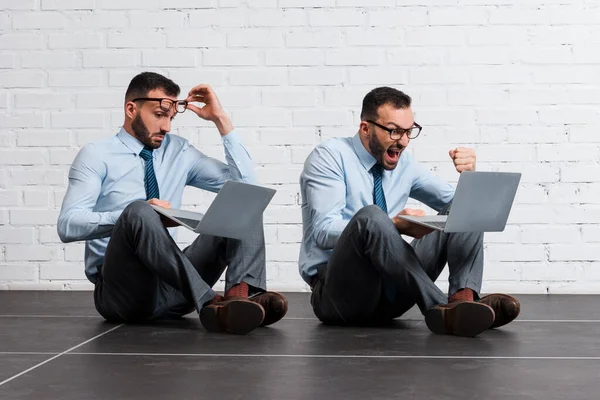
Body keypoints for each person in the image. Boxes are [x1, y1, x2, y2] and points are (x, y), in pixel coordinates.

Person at [58, 72, 287, 335]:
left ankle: (239, 299)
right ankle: (212, 303)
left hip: (176, 285)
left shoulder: (179, 151)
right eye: (158, 114)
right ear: (131, 109)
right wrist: (139, 217)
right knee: (138, 210)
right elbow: (67, 225)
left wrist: (221, 120)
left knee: (244, 201)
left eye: (171, 117)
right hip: (123, 294)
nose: (166, 126)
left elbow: (246, 188)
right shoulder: (96, 155)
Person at [299, 86, 520, 337]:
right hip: (340, 297)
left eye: (409, 131)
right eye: (394, 131)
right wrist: (393, 225)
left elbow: (467, 208)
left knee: (463, 208)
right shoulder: (330, 157)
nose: (403, 141)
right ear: (365, 129)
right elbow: (323, 232)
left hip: (392, 295)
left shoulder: (405, 165)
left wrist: (470, 175)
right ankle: (440, 306)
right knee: (371, 217)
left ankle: (463, 302)